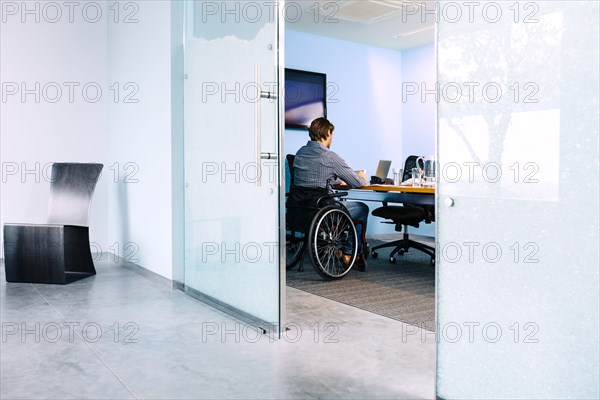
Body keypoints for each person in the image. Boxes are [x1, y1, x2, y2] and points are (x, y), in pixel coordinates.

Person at [293, 117, 370, 269]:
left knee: (341, 206)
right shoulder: (330, 157)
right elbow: (357, 183)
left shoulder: (300, 153)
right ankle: (349, 253)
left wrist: (333, 180)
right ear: (328, 132)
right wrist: (361, 176)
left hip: (301, 210)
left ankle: (341, 250)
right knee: (362, 208)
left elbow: (312, 179)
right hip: (323, 210)